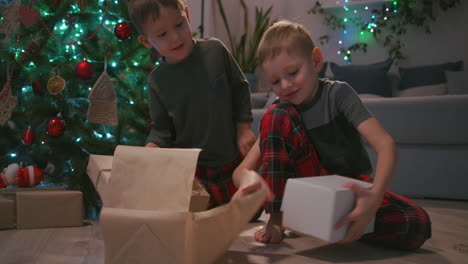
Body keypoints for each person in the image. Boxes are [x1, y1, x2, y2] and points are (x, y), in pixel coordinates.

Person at [232, 20, 431, 249]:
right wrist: (249, 183)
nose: (285, 86)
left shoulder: (338, 94)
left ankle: (326, 222)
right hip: (303, 190)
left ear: (315, 61)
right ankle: (278, 220)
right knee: (276, 113)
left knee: (417, 225)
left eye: (293, 72)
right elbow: (242, 171)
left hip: (347, 190)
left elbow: (386, 145)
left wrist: (374, 198)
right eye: (275, 81)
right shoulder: (281, 111)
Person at [128, 0, 256, 208]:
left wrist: (244, 128)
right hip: (191, 173)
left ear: (187, 14)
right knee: (197, 221)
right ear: (146, 41)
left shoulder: (215, 51)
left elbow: (240, 89)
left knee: (249, 212)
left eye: (179, 25)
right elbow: (161, 131)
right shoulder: (157, 81)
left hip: (232, 162)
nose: (175, 37)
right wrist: (151, 149)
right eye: (162, 35)